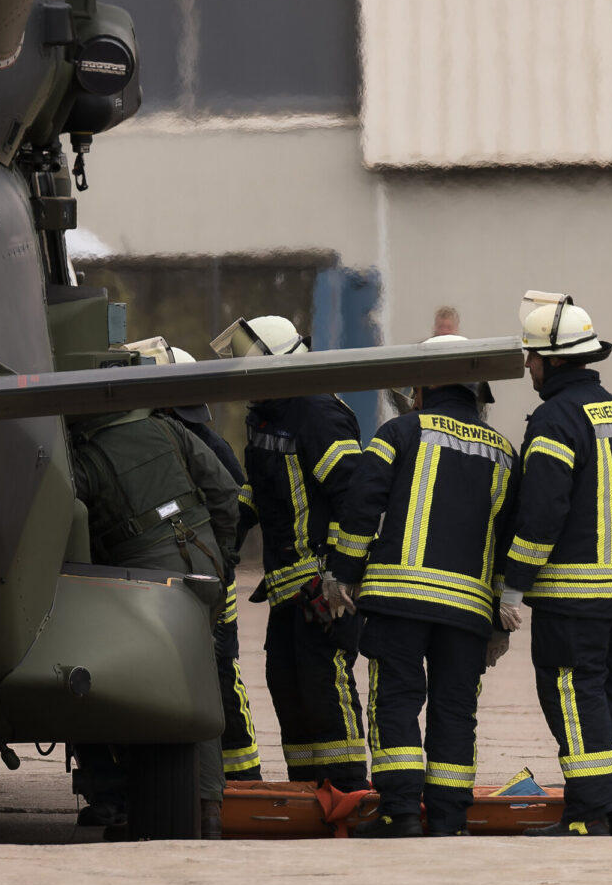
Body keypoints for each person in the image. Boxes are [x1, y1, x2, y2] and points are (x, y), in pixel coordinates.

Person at [330, 335, 521, 837]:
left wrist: (343, 574)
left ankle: (400, 815)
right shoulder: (504, 451)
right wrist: (501, 614)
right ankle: (448, 820)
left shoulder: (398, 432)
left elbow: (361, 506)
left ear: (429, 382)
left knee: (395, 700)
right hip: (468, 612)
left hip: (399, 602)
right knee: (456, 710)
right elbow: (508, 538)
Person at [503, 291, 612, 837]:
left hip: (572, 590)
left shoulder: (553, 420)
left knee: (572, 690)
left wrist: (513, 586)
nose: (527, 367)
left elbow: (543, 512)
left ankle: (589, 814)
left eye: (532, 358)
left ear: (553, 359)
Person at [66, 393, 241, 836]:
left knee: (160, 694)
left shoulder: (83, 461)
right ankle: (207, 810)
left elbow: (70, 526)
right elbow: (224, 492)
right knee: (199, 682)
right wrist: (222, 555)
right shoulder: (169, 428)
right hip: (204, 561)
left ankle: (176, 807)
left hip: (149, 581)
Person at [214, 315, 370, 790]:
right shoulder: (268, 415)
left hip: (322, 587)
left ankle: (346, 789)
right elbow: (257, 492)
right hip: (288, 590)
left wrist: (341, 576)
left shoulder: (316, 412)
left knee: (325, 689)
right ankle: (307, 790)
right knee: (288, 687)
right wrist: (222, 541)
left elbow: (354, 497)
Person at [126, 337, 265, 786]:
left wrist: (221, 556)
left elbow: (237, 499)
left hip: (206, 577)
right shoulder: (187, 435)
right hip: (197, 572)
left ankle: (242, 779)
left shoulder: (200, 442)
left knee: (220, 672)